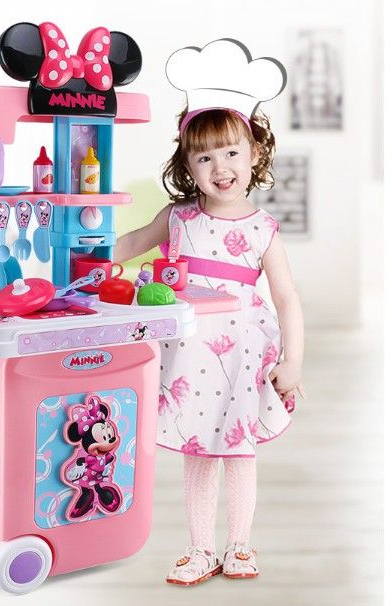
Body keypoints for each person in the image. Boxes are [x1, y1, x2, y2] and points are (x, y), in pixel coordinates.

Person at [114, 105, 304, 585]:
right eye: (204, 157)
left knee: (238, 449)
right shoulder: (178, 217)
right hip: (189, 356)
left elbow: (286, 296)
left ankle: (239, 545)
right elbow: (131, 243)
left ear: (254, 153)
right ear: (187, 165)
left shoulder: (262, 228)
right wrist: (81, 252)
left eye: (231, 153)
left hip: (241, 356)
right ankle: (200, 548)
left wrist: (294, 360)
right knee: (198, 451)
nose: (220, 167)